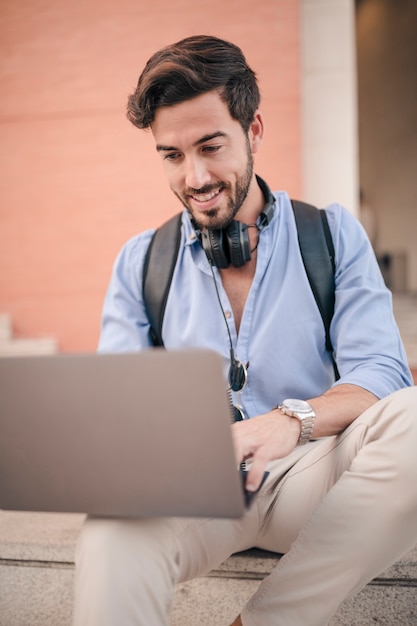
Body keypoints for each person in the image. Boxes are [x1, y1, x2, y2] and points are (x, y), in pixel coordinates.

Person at [73, 35, 417, 626]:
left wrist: (291, 420)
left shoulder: (333, 235)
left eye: (211, 146)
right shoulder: (140, 262)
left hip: (312, 476)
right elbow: (117, 404)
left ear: (254, 130)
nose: (195, 176)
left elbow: (381, 373)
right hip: (194, 492)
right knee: (110, 528)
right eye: (172, 156)